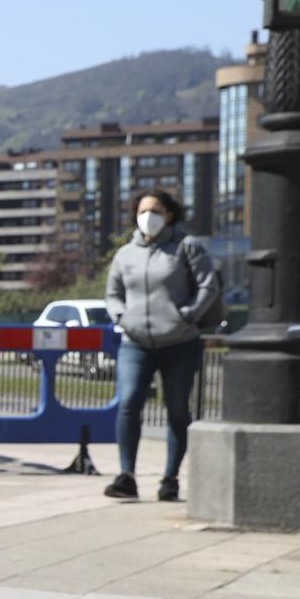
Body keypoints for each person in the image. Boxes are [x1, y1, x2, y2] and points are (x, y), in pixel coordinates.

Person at [102, 187, 219, 502]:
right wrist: (122, 317)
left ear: (169, 214)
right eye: (142, 211)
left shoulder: (186, 247)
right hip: (135, 342)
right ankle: (126, 475)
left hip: (179, 343)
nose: (147, 217)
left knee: (177, 410)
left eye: (155, 211)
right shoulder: (125, 254)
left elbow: (209, 285)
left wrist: (189, 315)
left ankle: (170, 478)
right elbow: (112, 294)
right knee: (128, 403)